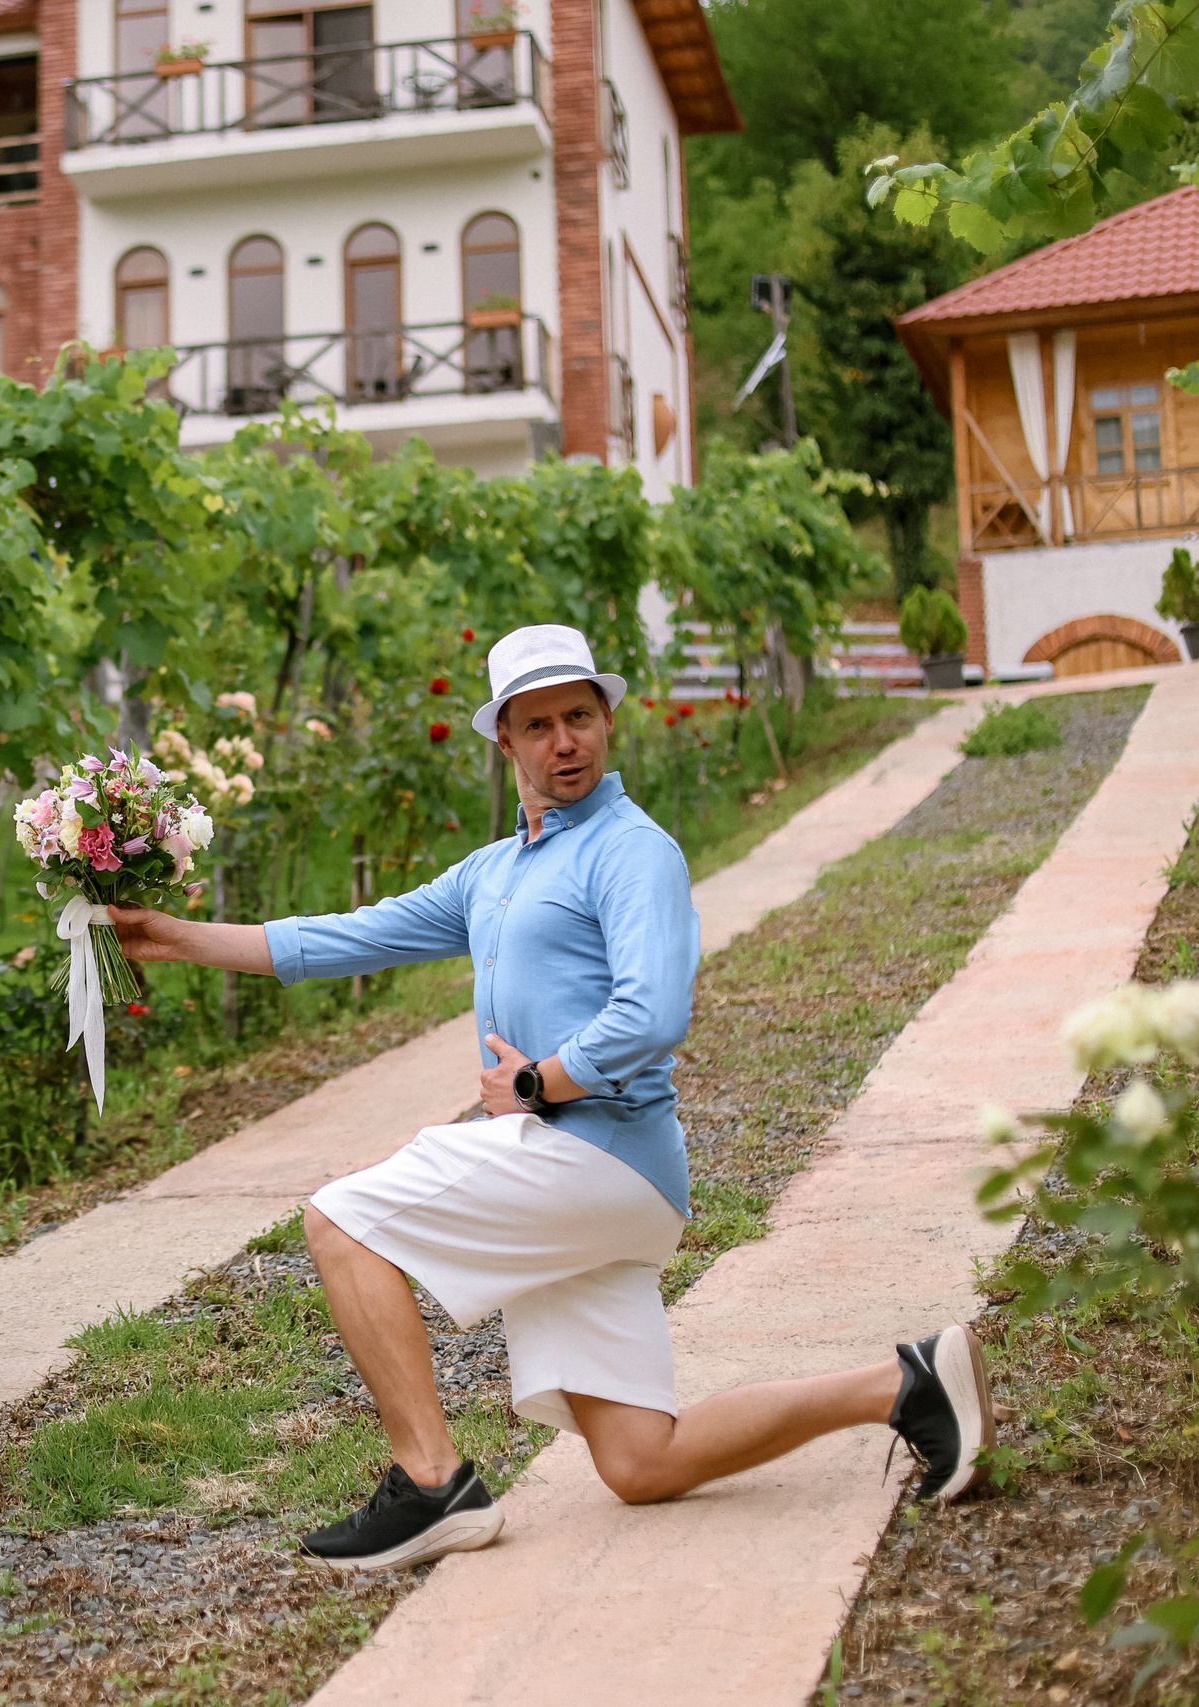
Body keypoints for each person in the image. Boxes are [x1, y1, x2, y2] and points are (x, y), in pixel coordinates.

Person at [111, 623, 994, 1571]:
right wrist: (174, 935)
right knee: (640, 1461)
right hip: (590, 1189)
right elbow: (349, 935)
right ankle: (905, 1383)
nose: (563, 740)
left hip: (599, 1155)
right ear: (507, 742)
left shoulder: (631, 850)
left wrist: (537, 1081)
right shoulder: (493, 872)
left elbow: (652, 1012)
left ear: (607, 719)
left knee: (342, 1219)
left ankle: (432, 1483)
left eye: (579, 715)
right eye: (538, 724)